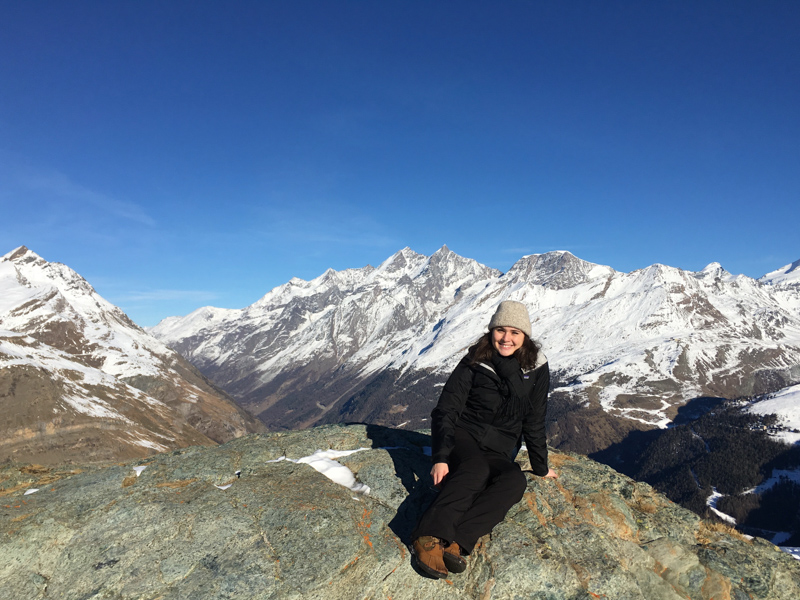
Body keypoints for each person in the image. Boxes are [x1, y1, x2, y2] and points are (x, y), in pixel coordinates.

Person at [411, 300, 557, 578]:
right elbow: (446, 409)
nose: (506, 338)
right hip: (464, 435)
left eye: (515, 332)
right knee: (474, 469)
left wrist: (540, 466)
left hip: (500, 447)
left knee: (514, 480)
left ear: (525, 335)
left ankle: (458, 542)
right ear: (491, 331)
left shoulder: (537, 368)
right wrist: (441, 458)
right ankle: (427, 535)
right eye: (500, 330)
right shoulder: (475, 361)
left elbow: (535, 419)